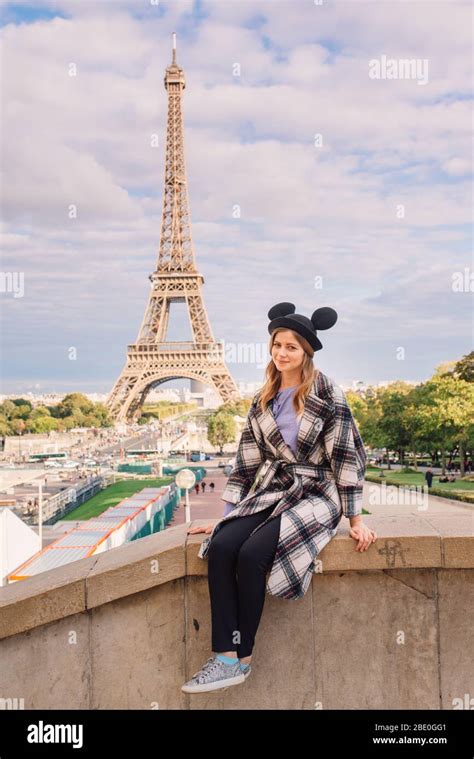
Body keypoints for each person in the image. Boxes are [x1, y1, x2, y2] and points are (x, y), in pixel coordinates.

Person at [182, 301, 376, 695]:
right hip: (275, 488)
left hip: (318, 493)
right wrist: (225, 516)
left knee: (253, 555)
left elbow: (345, 456)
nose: (282, 353)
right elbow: (245, 464)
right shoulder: (263, 398)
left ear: (306, 352)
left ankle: (242, 657)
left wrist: (355, 520)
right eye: (277, 345)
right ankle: (223, 656)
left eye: (291, 346)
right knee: (221, 546)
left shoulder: (327, 393)